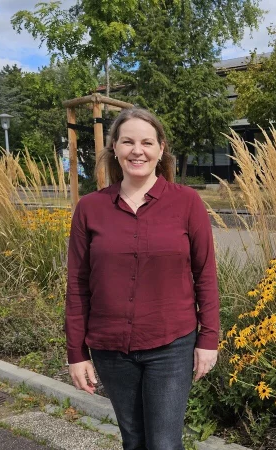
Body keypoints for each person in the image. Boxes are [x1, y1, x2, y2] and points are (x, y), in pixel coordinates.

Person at [65, 107, 220, 450]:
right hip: (110, 348)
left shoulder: (187, 202)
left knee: (164, 443)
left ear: (160, 149)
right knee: (133, 441)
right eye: (128, 141)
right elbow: (77, 285)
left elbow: (205, 274)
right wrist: (76, 353)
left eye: (147, 142)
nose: (138, 150)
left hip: (171, 345)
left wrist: (208, 339)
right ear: (115, 149)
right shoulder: (90, 208)